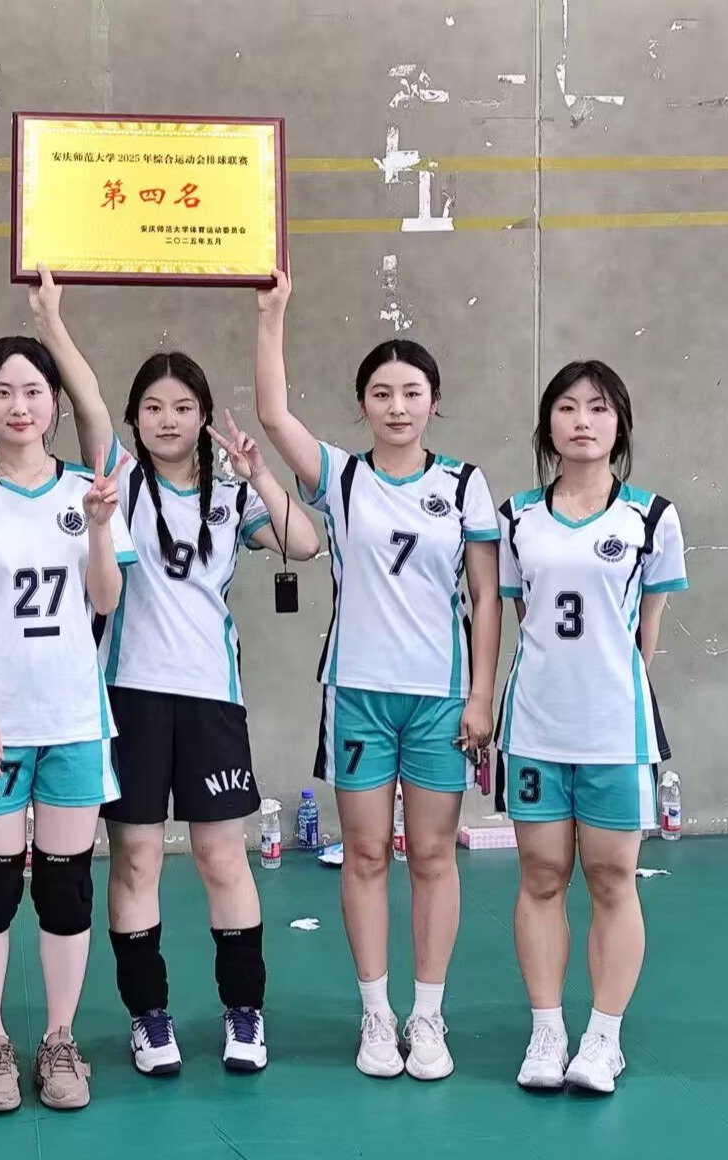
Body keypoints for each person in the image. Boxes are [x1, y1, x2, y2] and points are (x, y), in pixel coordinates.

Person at [29, 267, 319, 1076]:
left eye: (184, 407)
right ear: (135, 420)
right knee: (138, 860)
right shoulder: (118, 480)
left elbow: (304, 543)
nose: (168, 419)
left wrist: (258, 472)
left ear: (203, 418)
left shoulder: (232, 496)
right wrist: (52, 322)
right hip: (128, 699)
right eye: (153, 407)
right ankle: (148, 1016)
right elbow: (85, 401)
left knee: (225, 859)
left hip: (212, 700)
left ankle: (243, 1010)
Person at [253, 266, 503, 1081]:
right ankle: (376, 1014)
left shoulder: (464, 485)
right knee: (364, 854)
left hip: (440, 699)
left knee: (432, 856)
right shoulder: (342, 476)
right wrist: (274, 313)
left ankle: (427, 1017)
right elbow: (272, 414)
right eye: (382, 393)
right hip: (357, 693)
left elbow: (486, 598)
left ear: (435, 402)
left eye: (412, 393)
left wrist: (481, 696)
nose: (398, 406)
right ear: (363, 403)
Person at [0, 334, 135, 1114]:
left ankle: (59, 1038)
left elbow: (106, 599)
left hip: (74, 717)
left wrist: (100, 525)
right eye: (3, 391)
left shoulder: (88, 487)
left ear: (54, 404)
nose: (20, 406)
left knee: (66, 886)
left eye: (34, 391)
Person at [494, 360, 688, 1095]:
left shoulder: (652, 516)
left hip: (615, 730)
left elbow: (647, 631)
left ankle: (603, 1040)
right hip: (536, 729)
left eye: (599, 408)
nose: (582, 420)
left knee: (611, 878)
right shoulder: (517, 517)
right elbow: (524, 617)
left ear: (620, 424)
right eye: (568, 407)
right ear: (548, 424)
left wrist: (607, 689)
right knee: (542, 876)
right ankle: (547, 1032)